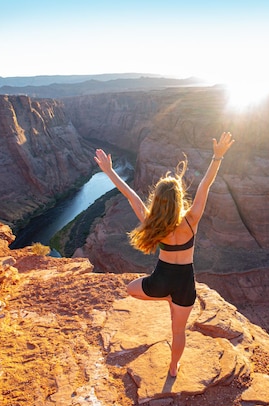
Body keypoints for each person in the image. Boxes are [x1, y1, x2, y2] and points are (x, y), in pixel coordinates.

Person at [94, 131, 235, 377]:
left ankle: (163, 297)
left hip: (160, 281)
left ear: (158, 200)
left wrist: (109, 171)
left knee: (130, 289)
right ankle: (173, 368)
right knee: (178, 331)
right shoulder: (192, 219)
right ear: (179, 199)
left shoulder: (153, 222)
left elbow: (131, 196)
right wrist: (217, 157)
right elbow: (205, 186)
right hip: (185, 285)